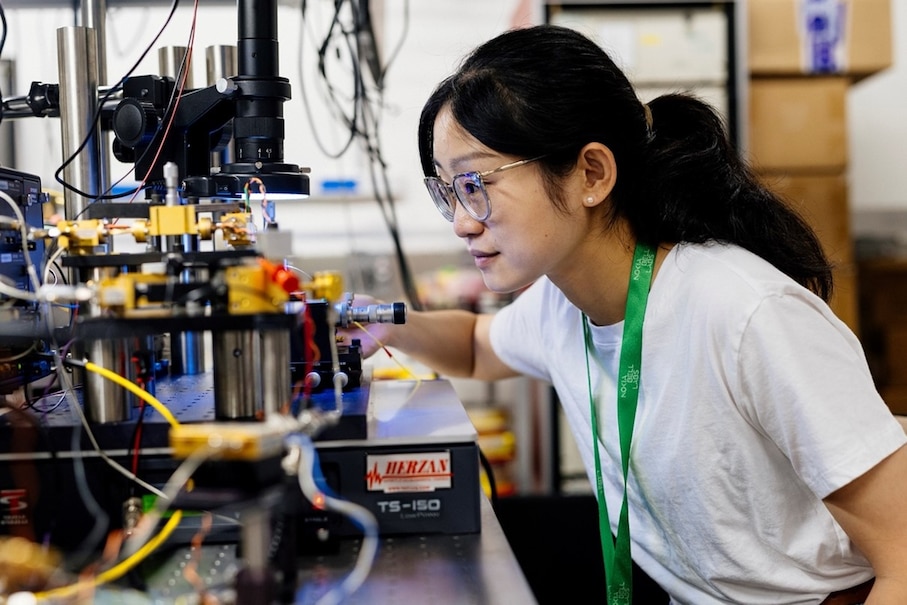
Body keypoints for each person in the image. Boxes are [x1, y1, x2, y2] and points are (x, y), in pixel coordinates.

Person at [342, 24, 907, 604]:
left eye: (475, 183)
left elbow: (904, 562)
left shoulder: (745, 314)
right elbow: (476, 346)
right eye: (447, 191)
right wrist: (380, 321)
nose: (462, 220)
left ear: (592, 173)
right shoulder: (563, 302)